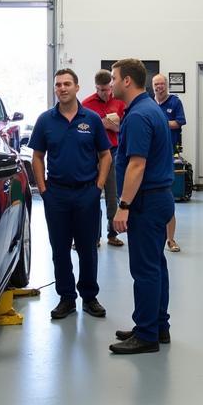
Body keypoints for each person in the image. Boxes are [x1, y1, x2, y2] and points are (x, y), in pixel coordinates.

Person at [30, 68, 112, 320]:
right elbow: (37, 157)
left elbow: (105, 155)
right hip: (57, 195)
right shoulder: (45, 120)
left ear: (77, 87)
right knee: (59, 249)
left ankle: (89, 297)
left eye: (67, 84)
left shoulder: (92, 119)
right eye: (58, 85)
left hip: (87, 193)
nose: (62, 88)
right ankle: (66, 298)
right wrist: (43, 189)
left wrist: (98, 186)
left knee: (88, 248)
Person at [110, 58, 175, 355]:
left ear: (127, 81)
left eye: (113, 78)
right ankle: (157, 325)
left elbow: (136, 164)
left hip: (146, 201)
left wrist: (123, 205)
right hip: (159, 197)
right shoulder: (151, 109)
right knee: (156, 265)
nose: (111, 84)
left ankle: (147, 334)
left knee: (145, 269)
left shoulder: (138, 116)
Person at [81, 69, 126, 247]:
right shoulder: (86, 104)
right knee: (91, 195)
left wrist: (117, 127)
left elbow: (127, 126)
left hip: (113, 151)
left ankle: (112, 234)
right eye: (100, 90)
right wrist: (99, 125)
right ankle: (93, 236)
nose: (104, 93)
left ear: (111, 86)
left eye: (107, 89)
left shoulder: (120, 102)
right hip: (92, 154)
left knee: (112, 195)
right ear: (96, 88)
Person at [151, 73, 186, 252]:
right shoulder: (149, 103)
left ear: (166, 86)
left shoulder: (175, 102)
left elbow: (179, 123)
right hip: (150, 157)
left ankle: (170, 239)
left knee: (167, 198)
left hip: (168, 155)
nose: (159, 87)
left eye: (162, 84)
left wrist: (159, 122)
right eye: (156, 84)